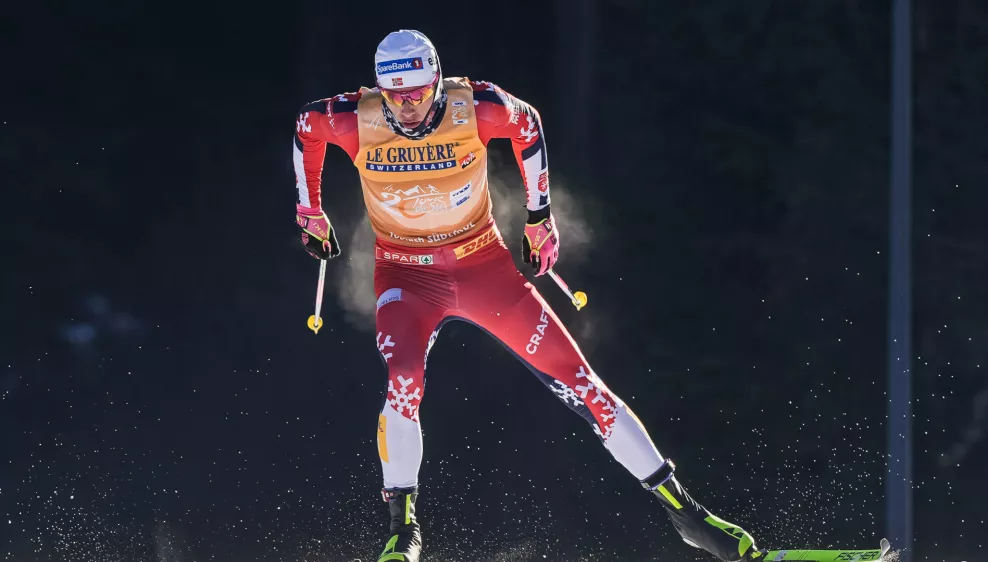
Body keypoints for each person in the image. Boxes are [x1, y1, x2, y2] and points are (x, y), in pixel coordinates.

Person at [292, 29, 765, 562]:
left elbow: (528, 125)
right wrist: (309, 209)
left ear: (436, 82)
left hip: (483, 268)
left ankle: (690, 516)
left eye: (417, 93)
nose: (405, 107)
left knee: (583, 383)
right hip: (407, 275)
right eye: (394, 95)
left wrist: (540, 217)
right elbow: (306, 127)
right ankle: (404, 528)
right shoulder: (357, 117)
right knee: (403, 379)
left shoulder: (476, 105)